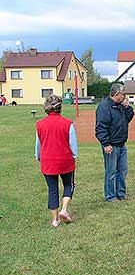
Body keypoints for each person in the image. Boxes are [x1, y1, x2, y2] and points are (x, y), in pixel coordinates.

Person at [35, 95, 78, 227]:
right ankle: (64, 210)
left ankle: (55, 220)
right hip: (65, 160)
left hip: (47, 161)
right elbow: (73, 144)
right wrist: (74, 156)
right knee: (68, 185)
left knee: (52, 189)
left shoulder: (40, 124)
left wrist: (38, 156)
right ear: (60, 107)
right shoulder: (68, 124)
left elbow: (38, 143)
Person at [95, 84, 134, 202]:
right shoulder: (104, 107)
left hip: (121, 144)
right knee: (111, 172)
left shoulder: (121, 106)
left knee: (122, 170)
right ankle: (111, 196)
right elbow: (100, 128)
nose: (125, 97)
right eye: (124, 94)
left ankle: (121, 193)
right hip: (111, 145)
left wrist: (128, 108)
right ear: (117, 94)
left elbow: (128, 118)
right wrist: (106, 144)